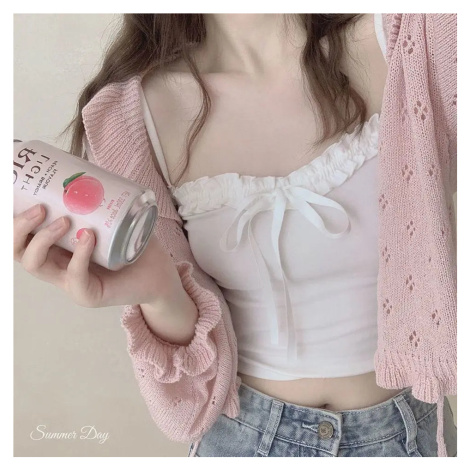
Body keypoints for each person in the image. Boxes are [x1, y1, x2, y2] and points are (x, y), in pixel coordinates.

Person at [13, 13, 457, 457]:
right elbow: (187, 410)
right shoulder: (131, 117)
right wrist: (159, 291)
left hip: (410, 437)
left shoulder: (413, 33)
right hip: (242, 440)